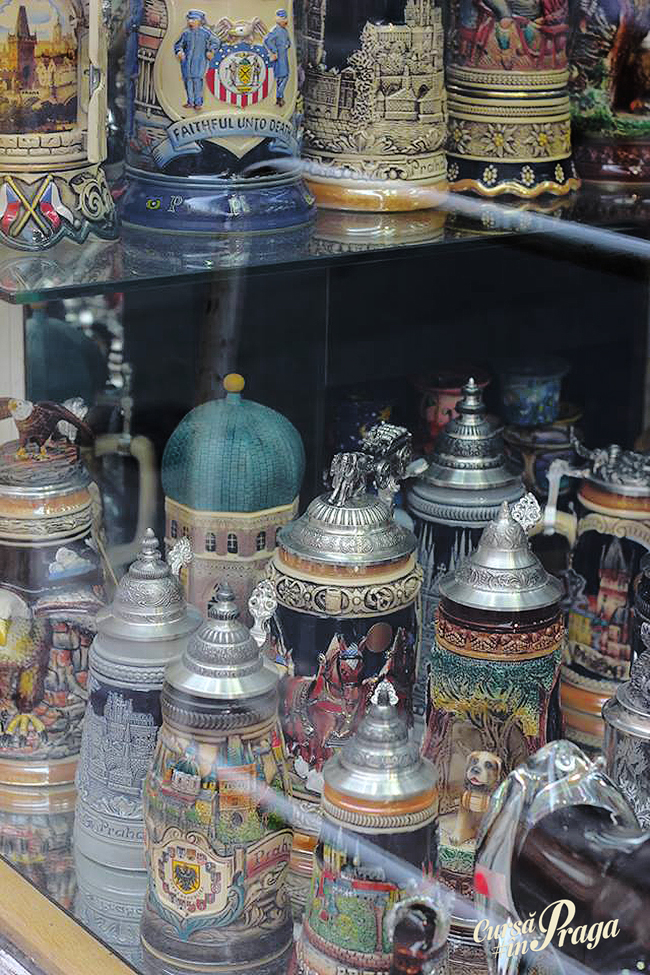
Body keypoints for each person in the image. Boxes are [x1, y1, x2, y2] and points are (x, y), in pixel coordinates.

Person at [174, 10, 218, 110]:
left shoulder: (205, 33)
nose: (190, 21)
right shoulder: (186, 33)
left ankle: (198, 103)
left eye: (193, 19)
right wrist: (179, 52)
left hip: (199, 62)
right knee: (188, 82)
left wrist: (211, 51)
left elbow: (215, 41)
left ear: (200, 21)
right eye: (189, 19)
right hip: (186, 63)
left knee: (197, 82)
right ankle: (190, 101)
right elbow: (179, 45)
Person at [264, 8, 291, 106]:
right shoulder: (276, 30)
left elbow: (288, 41)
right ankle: (279, 97)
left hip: (284, 56)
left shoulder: (285, 31)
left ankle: (279, 96)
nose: (286, 21)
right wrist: (274, 51)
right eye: (283, 18)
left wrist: (287, 45)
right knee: (281, 76)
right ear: (279, 19)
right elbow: (267, 40)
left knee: (285, 76)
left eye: (286, 18)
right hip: (279, 57)